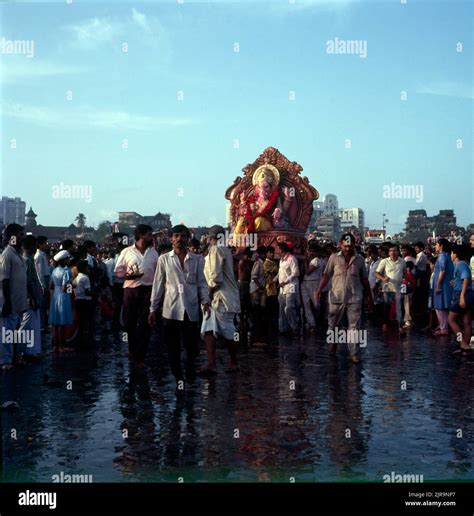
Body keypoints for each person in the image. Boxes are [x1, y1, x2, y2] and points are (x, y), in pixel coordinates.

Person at [148, 225, 210, 390]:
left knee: (192, 347)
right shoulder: (164, 259)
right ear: (171, 238)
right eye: (176, 236)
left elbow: (201, 283)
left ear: (187, 239)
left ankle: (189, 367)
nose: (179, 239)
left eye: (182, 236)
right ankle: (178, 379)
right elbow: (158, 285)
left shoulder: (197, 259)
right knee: (172, 349)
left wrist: (205, 301)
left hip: (191, 310)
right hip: (171, 311)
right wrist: (153, 309)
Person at [317, 233, 372, 364]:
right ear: (341, 244)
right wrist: (319, 290)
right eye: (345, 245)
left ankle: (353, 353)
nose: (348, 248)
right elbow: (326, 275)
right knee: (332, 325)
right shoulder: (333, 258)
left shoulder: (359, 260)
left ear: (354, 244)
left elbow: (364, 279)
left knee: (354, 327)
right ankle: (333, 344)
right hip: (336, 297)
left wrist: (369, 296)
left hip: (354, 298)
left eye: (350, 245)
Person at [198, 225, 240, 376]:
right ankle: (212, 363)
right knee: (209, 329)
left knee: (228, 332)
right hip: (219, 298)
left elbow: (216, 279)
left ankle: (233, 362)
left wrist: (207, 296)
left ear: (210, 237)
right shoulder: (223, 249)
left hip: (221, 298)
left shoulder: (216, 249)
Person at [114, 224, 158, 368]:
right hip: (131, 289)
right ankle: (133, 350)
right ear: (141, 235)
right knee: (129, 323)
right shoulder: (127, 251)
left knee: (146, 324)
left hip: (148, 290)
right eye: (149, 235)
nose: (152, 237)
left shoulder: (153, 252)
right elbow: (118, 272)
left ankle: (141, 358)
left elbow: (158, 273)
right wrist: (127, 275)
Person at [0, 224, 28, 369]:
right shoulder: (7, 254)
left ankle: (14, 357)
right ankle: (5, 361)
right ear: (12, 237)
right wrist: (7, 302)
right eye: (20, 235)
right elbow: (4, 280)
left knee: (15, 332)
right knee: (7, 332)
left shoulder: (18, 254)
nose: (23, 237)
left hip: (18, 302)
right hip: (9, 301)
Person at [18, 235, 42, 359]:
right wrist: (31, 298)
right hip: (29, 299)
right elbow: (25, 282)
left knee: (33, 325)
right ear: (31, 246)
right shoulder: (26, 260)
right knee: (26, 325)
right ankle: (19, 350)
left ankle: (30, 351)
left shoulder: (30, 259)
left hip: (34, 297)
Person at [375, 244, 407, 335]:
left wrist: (406, 283)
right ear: (388, 252)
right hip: (387, 287)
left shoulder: (402, 262)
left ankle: (401, 326)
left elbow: (404, 273)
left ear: (398, 251)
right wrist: (383, 278)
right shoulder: (384, 261)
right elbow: (377, 273)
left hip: (399, 287)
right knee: (386, 307)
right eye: (390, 251)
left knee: (400, 307)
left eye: (394, 250)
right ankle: (385, 324)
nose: (392, 252)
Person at [448, 244, 473, 356]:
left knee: (451, 320)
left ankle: (462, 342)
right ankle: (465, 347)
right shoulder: (463, 264)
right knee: (466, 321)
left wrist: (462, 296)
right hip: (468, 294)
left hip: (461, 294)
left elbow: (466, 279)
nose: (451, 255)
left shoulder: (460, 264)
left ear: (455, 254)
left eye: (452, 253)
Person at [49, 250, 74, 353]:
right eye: (68, 259)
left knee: (56, 323)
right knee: (62, 323)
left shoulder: (54, 270)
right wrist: (72, 286)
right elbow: (65, 288)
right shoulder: (67, 271)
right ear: (65, 260)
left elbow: (51, 285)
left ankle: (56, 346)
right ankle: (62, 346)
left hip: (55, 295)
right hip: (63, 297)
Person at [431, 239, 454, 336]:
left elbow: (442, 271)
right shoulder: (447, 256)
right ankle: (445, 327)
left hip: (442, 285)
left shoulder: (442, 257)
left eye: (436, 244)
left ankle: (444, 328)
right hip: (446, 285)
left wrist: (438, 284)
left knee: (440, 307)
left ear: (441, 246)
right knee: (444, 306)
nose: (435, 246)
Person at [277, 241, 300, 336]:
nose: (277, 251)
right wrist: (274, 280)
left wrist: (285, 281)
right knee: (282, 309)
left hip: (291, 286)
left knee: (289, 307)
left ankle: (294, 327)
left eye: (278, 249)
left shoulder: (292, 259)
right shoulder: (281, 260)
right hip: (282, 287)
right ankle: (283, 328)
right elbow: (280, 272)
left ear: (282, 250)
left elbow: (296, 273)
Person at [300, 242, 323, 333]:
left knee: (316, 304)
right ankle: (312, 324)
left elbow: (308, 272)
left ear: (316, 252)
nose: (311, 253)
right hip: (305, 283)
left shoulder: (316, 260)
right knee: (306, 305)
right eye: (310, 251)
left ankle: (317, 322)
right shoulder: (311, 260)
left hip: (314, 283)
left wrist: (305, 261)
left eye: (313, 251)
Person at [250, 246, 267, 345]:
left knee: (259, 309)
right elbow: (254, 276)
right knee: (256, 309)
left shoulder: (262, 263)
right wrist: (260, 286)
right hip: (256, 289)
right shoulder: (258, 263)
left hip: (258, 288)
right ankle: (255, 328)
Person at [73, 260, 92, 345]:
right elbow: (87, 291)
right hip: (85, 300)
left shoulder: (76, 278)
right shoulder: (85, 277)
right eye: (87, 267)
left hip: (78, 300)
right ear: (84, 268)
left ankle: (79, 338)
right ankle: (86, 339)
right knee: (86, 320)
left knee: (80, 320)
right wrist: (95, 293)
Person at [263, 246, 279, 343]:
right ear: (266, 254)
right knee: (270, 311)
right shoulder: (267, 264)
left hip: (273, 290)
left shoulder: (272, 263)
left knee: (273, 311)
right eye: (270, 252)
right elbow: (277, 271)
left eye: (272, 252)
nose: (272, 254)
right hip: (269, 290)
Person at [34, 235, 50, 330]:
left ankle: (44, 324)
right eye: (44, 243)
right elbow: (39, 272)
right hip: (43, 281)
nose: (46, 245)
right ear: (39, 244)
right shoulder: (39, 255)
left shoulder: (42, 254)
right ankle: (41, 326)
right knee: (42, 304)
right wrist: (43, 285)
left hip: (46, 279)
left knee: (45, 304)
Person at [402, 261, 415, 328]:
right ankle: (408, 320)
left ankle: (408, 321)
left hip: (407, 292)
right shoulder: (410, 274)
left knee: (407, 306)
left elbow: (409, 283)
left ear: (408, 268)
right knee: (407, 306)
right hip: (407, 291)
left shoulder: (408, 274)